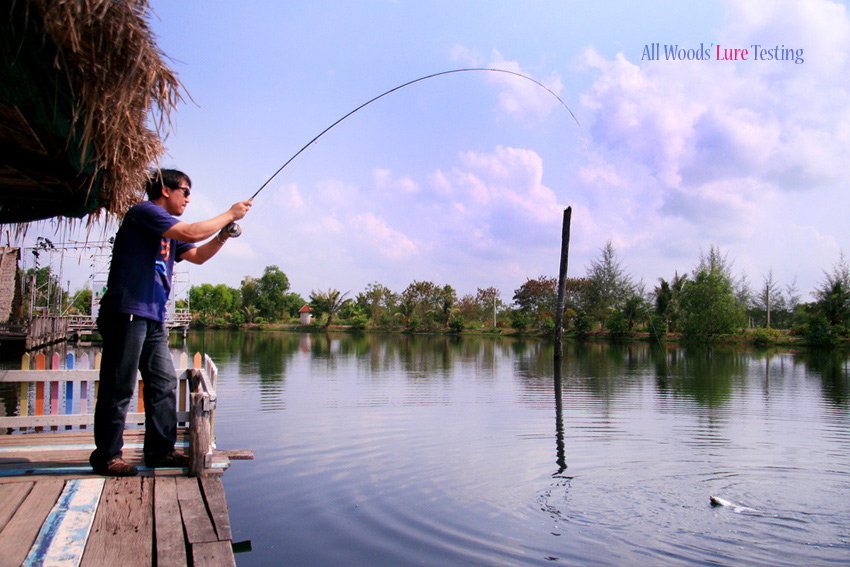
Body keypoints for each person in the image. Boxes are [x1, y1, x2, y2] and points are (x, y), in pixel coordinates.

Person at [90, 169, 251, 476]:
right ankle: (107, 456)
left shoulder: (167, 229)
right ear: (165, 189)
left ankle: (160, 451)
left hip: (152, 316)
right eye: (185, 192)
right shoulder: (145, 212)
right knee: (119, 386)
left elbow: (198, 254)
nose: (188, 199)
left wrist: (222, 235)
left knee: (163, 383)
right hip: (127, 312)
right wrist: (229, 212)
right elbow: (190, 232)